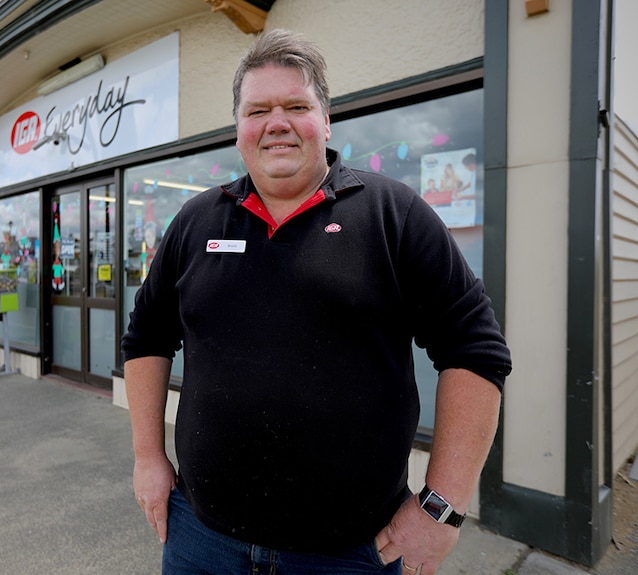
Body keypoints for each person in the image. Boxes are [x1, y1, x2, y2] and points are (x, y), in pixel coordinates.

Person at [122, 28, 511, 575]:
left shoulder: (391, 215)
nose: (276, 122)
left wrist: (441, 508)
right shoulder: (196, 221)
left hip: (349, 554)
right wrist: (147, 456)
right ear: (238, 129)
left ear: (325, 121)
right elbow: (147, 336)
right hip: (200, 540)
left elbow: (475, 349)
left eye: (296, 105)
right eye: (258, 109)